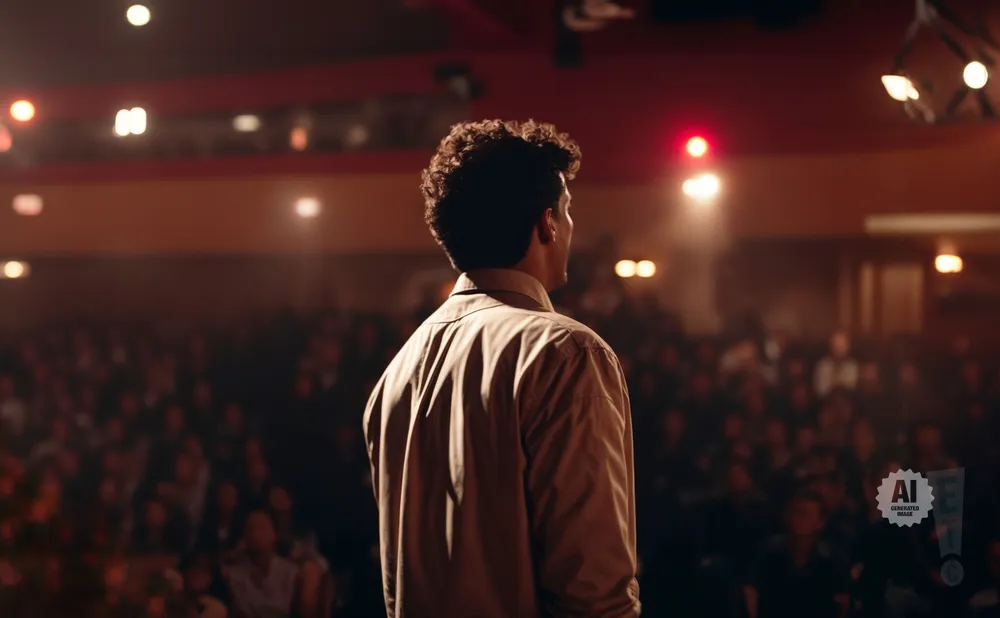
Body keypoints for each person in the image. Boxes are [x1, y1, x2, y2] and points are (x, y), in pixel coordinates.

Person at [363, 120, 640, 618]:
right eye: (568, 211)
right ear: (547, 224)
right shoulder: (565, 353)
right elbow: (592, 585)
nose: (571, 227)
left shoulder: (398, 372)